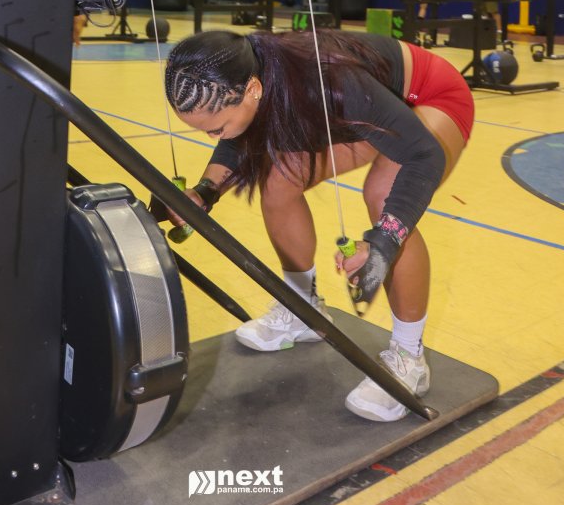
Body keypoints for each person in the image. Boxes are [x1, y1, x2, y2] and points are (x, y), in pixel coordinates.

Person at [164, 28, 474, 422]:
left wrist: (383, 242)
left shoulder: (332, 84)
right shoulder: (243, 71)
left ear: (253, 90)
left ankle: (409, 358)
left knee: (384, 196)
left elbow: (422, 155)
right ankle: (302, 307)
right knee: (279, 182)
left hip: (429, 96)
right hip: (372, 102)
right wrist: (205, 192)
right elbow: (238, 132)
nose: (213, 137)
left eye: (215, 128)